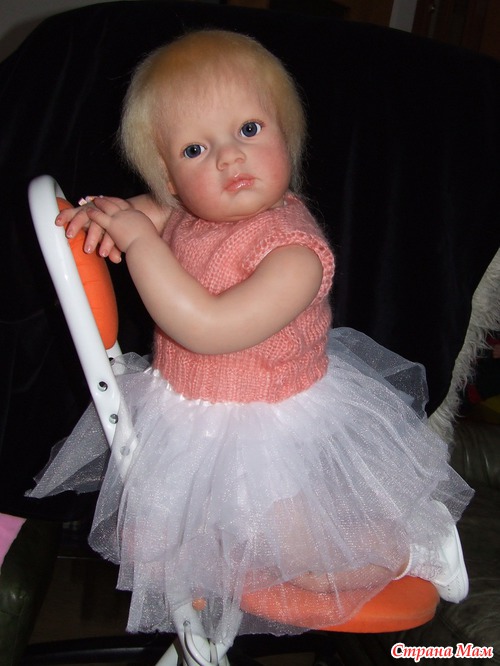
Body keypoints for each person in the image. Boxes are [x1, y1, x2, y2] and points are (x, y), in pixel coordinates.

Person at [28, 30, 473, 647]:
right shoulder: (186, 209)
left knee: (301, 558)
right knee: (198, 543)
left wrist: (139, 242)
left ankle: (416, 548)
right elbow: (146, 211)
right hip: (193, 415)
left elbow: (205, 328)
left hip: (268, 431)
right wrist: (104, 214)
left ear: (286, 135)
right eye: (194, 149)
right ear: (170, 179)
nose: (229, 158)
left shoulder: (294, 255)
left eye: (248, 130)